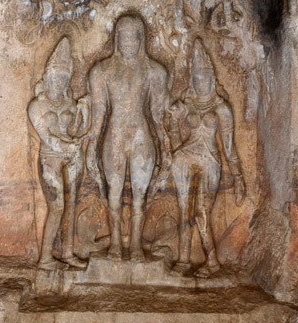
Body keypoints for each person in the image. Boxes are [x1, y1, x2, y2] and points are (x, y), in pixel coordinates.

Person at [86, 14, 172, 262]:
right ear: (116, 40)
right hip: (114, 136)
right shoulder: (101, 72)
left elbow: (157, 117)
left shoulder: (155, 72)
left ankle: (135, 244)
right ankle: (114, 242)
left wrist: (165, 149)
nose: (127, 43)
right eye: (122, 38)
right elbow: (98, 116)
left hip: (141, 137)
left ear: (141, 40)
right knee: (113, 193)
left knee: (139, 194)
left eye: (133, 38)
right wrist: (91, 147)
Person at [168, 37, 245, 278]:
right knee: (183, 209)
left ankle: (212, 261)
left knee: (201, 211)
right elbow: (173, 141)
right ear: (192, 80)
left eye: (205, 78)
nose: (201, 82)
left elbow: (230, 147)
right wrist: (173, 120)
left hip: (210, 160)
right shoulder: (186, 105)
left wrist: (238, 177)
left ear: (212, 79)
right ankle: (183, 258)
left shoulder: (221, 109)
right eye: (197, 78)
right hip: (183, 158)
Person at [28, 37, 89, 270]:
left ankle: (67, 252)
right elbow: (46, 137)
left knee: (72, 203)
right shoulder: (37, 105)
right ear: (48, 77)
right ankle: (45, 257)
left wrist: (84, 112)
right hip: (49, 158)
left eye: (64, 79)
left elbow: (77, 132)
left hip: (72, 157)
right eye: (56, 78)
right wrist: (67, 147)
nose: (59, 83)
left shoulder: (70, 104)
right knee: (57, 206)